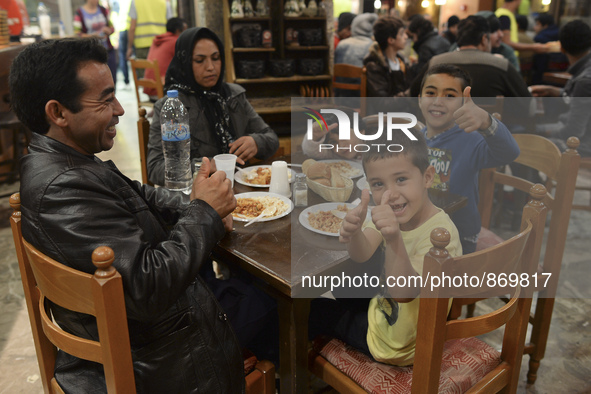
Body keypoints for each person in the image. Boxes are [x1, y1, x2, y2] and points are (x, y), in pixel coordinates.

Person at [8, 37, 278, 392]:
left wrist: (201, 204)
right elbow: (149, 287)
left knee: (250, 290)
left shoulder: (66, 162)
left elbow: (143, 194)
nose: (120, 109)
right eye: (106, 99)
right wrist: (204, 212)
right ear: (58, 113)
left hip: (151, 334)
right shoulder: (62, 189)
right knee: (274, 303)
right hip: (158, 358)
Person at [308, 127, 462, 366]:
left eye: (401, 179)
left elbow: (404, 294)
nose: (390, 194)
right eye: (379, 184)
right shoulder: (391, 213)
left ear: (428, 176)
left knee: (313, 308)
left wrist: (393, 238)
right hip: (386, 311)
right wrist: (355, 233)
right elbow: (362, 254)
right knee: (338, 283)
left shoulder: (441, 236)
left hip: (396, 343)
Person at [147, 27, 279, 186]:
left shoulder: (233, 96)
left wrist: (256, 142)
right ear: (185, 62)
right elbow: (155, 168)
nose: (210, 67)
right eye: (199, 60)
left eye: (216, 58)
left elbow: (271, 138)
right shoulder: (171, 107)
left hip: (240, 191)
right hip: (195, 198)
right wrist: (205, 166)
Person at [418, 64, 520, 253]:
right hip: (422, 228)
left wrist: (486, 121)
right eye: (431, 93)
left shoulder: (471, 139)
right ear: (419, 99)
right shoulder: (417, 139)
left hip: (458, 236)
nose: (438, 101)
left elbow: (509, 152)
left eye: (449, 95)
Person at [530, 19, 591, 157]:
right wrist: (555, 91)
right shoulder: (585, 72)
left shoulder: (584, 81)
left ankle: (532, 178)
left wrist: (542, 131)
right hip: (583, 136)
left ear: (561, 48)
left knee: (523, 141)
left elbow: (573, 131)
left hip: (582, 145)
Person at [363, 16, 410, 115]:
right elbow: (383, 104)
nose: (406, 37)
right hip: (383, 120)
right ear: (391, 40)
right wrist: (410, 94)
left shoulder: (401, 62)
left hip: (403, 115)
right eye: (402, 34)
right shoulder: (374, 65)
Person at [74, 0, 117, 88]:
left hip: (107, 50)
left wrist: (108, 31)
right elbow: (77, 34)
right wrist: (92, 36)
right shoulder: (79, 12)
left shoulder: (103, 10)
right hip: (91, 53)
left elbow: (112, 28)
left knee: (112, 79)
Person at [144, 17, 187, 100]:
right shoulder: (176, 41)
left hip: (150, 90)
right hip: (162, 92)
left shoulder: (158, 40)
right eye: (185, 31)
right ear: (178, 31)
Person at [126, 0, 171, 67]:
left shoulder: (135, 2)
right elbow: (171, 25)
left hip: (142, 46)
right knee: (159, 74)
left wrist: (129, 47)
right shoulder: (165, 2)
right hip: (160, 44)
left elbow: (132, 27)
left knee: (144, 76)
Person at [406, 15, 450, 81]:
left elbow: (422, 71)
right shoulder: (442, 39)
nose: (413, 40)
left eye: (413, 36)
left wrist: (412, 67)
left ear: (418, 32)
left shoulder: (425, 47)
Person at [531, 13, 567, 84]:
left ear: (545, 25)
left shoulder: (540, 38)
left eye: (537, 24)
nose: (534, 27)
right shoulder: (561, 34)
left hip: (543, 75)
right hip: (562, 73)